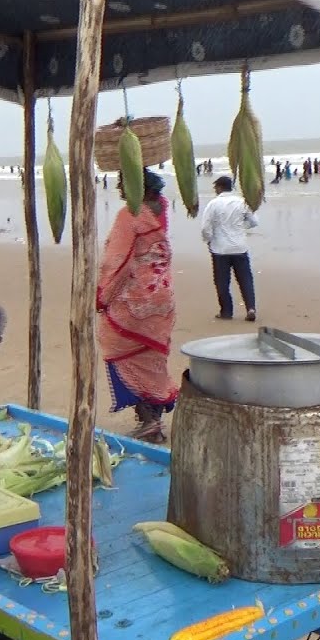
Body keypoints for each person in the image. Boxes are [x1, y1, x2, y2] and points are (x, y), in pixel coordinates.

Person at [98, 168, 178, 443]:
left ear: (137, 187)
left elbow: (116, 261)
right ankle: (153, 418)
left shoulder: (129, 216)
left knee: (118, 347)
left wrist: (102, 295)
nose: (120, 189)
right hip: (161, 297)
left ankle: (148, 420)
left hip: (134, 299)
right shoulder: (160, 209)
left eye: (124, 183)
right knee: (152, 358)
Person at [200, 176, 259, 321]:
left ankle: (226, 311)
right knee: (245, 279)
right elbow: (254, 221)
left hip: (220, 248)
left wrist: (208, 240)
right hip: (240, 246)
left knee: (222, 281)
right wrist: (240, 228)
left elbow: (205, 228)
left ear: (219, 187)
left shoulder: (213, 204)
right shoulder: (242, 202)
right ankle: (250, 308)